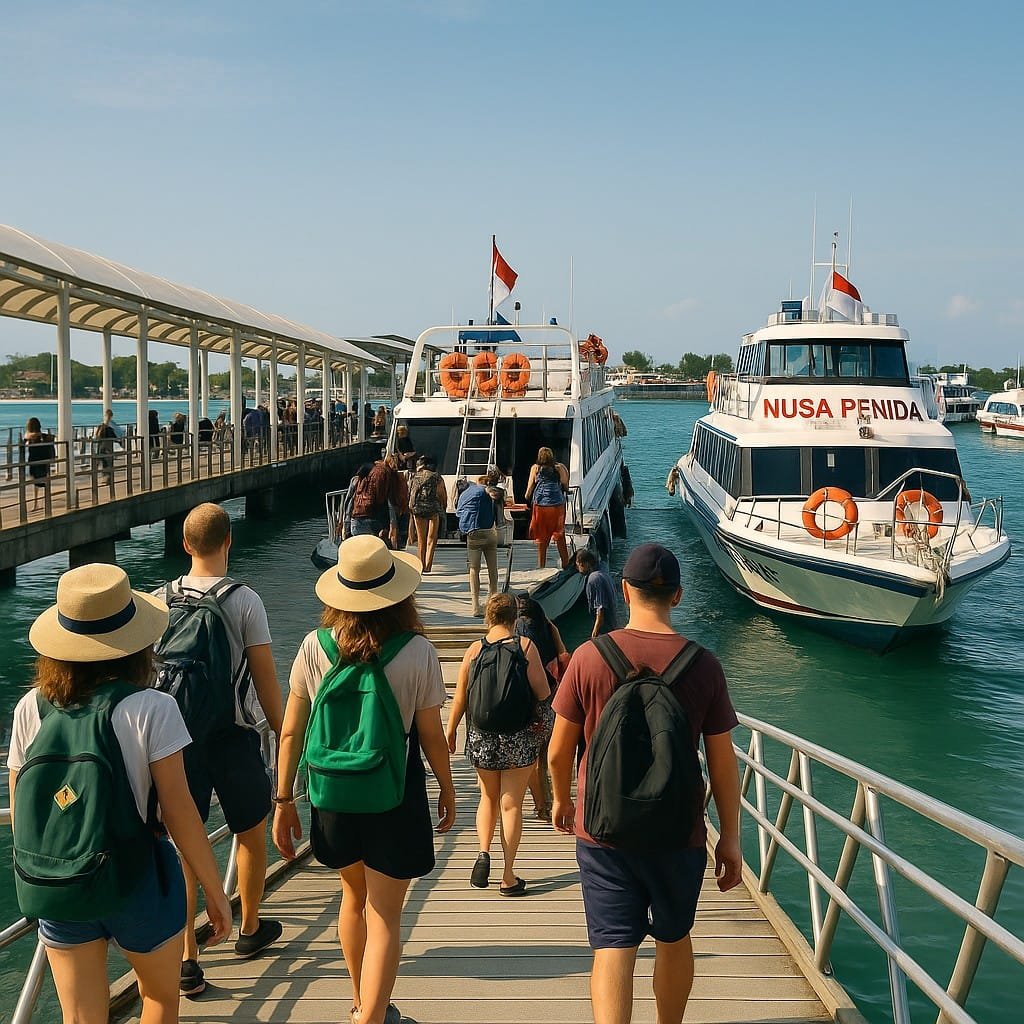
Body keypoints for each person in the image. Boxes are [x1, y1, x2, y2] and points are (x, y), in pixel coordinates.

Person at [6, 563, 232, 1024]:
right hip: (137, 879)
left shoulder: (31, 707)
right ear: (135, 642)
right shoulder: (153, 707)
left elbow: (23, 808)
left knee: (81, 1017)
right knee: (158, 1001)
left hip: (62, 885)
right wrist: (215, 891)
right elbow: (180, 812)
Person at [548, 543, 742, 1024]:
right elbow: (722, 767)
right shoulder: (704, 666)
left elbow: (556, 752)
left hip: (602, 831)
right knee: (674, 938)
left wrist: (561, 801)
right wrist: (731, 840)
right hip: (679, 833)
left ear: (624, 591)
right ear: (677, 595)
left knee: (614, 947)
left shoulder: (590, 658)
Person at [273, 536, 456, 1024]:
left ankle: (361, 1002)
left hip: (332, 793)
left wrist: (283, 798)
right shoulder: (417, 650)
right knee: (386, 916)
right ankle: (371, 1017)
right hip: (393, 793)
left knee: (352, 900)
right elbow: (431, 735)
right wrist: (448, 786)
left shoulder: (315, 646)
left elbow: (291, 730)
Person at [159, 503, 284, 996]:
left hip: (175, 739)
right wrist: (286, 734)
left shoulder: (160, 599)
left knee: (185, 849)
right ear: (228, 541)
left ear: (185, 545)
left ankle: (188, 957)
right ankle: (249, 928)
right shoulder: (244, 600)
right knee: (250, 832)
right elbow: (265, 679)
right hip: (233, 737)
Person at [445, 593, 550, 896]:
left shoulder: (474, 650)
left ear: (488, 618)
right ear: (514, 619)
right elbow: (543, 694)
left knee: (487, 798)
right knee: (511, 803)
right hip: (518, 736)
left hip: (482, 737)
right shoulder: (525, 647)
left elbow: (461, 697)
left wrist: (451, 731)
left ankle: (482, 852)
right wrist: (542, 729)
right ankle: (508, 876)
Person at [515, 594, 567, 822]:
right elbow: (564, 657)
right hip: (552, 702)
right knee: (546, 757)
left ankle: (541, 805)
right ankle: (553, 801)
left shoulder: (520, 639)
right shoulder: (548, 634)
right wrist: (552, 628)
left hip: (527, 704)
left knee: (531, 760)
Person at [456, 468, 505, 616]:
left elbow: (458, 511)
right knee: (492, 569)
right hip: (490, 532)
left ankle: (475, 606)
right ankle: (493, 600)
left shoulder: (467, 492)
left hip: (473, 534)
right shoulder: (488, 491)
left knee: (474, 569)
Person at [524, 447, 569, 569]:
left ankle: (541, 565)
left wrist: (527, 497)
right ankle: (566, 563)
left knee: (542, 535)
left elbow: (530, 487)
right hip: (557, 505)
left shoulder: (536, 468)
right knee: (559, 533)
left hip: (540, 505)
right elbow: (565, 481)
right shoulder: (558, 467)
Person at [409, 455, 447, 573]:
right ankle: (428, 566)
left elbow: (410, 493)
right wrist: (443, 506)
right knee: (431, 538)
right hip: (433, 509)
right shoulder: (436, 477)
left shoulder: (415, 477)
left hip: (418, 510)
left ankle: (420, 564)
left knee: (421, 539)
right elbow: (442, 494)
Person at [576, 549, 620, 638]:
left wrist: (594, 635)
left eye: (579, 565)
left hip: (605, 633)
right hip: (613, 627)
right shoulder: (603, 574)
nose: (578, 568)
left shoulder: (594, 579)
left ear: (585, 564)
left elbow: (600, 610)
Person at [349, 457, 396, 540]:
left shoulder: (356, 481)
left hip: (355, 520)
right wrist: (392, 525)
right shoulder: (384, 474)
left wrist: (345, 525)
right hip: (372, 520)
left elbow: (349, 502)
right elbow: (389, 503)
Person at [21, 417, 55, 511]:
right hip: (44, 461)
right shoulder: (43, 436)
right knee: (45, 480)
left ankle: (36, 503)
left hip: (33, 461)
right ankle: (46, 502)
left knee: (35, 483)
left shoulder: (28, 436)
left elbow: (23, 443)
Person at [385, 453, 410, 550]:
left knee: (393, 530)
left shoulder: (388, 477)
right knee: (397, 531)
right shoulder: (400, 477)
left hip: (392, 505)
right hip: (400, 506)